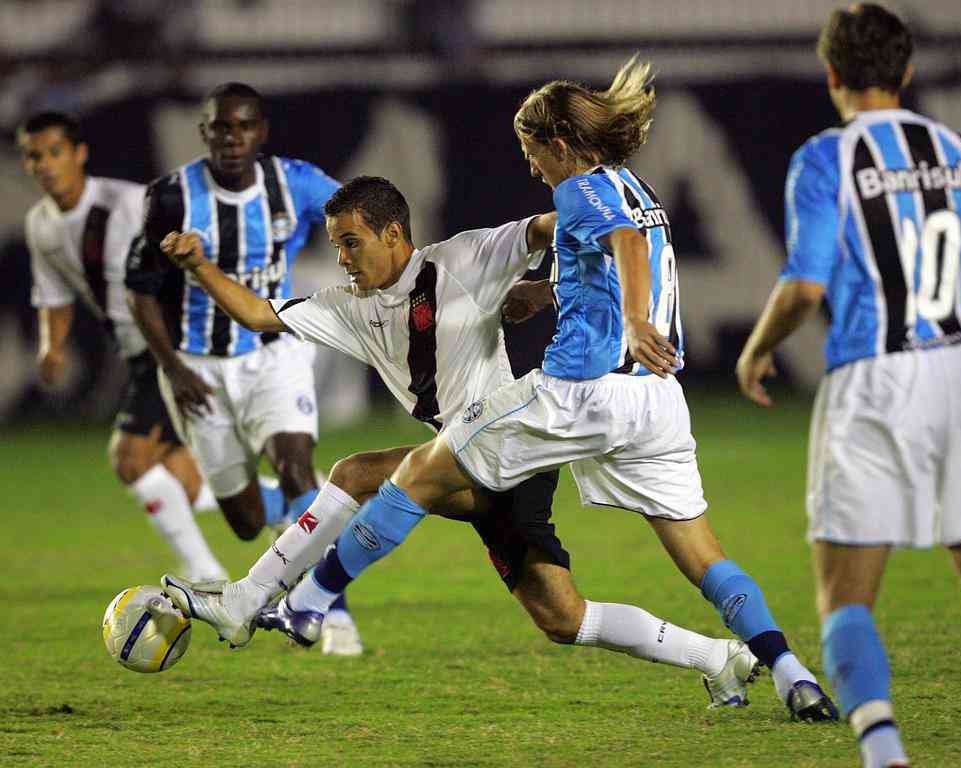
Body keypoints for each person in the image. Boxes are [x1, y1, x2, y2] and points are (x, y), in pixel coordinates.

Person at [263, 60, 837, 722]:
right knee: (703, 556)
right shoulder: (636, 186)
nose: (533, 170)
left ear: (559, 145)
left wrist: (635, 317)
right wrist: (546, 292)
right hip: (656, 401)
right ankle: (791, 672)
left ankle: (308, 605)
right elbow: (614, 240)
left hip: (580, 392)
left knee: (419, 470)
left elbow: (622, 243)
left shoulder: (579, 189)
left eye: (533, 155)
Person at [158, 175, 762, 706]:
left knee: (356, 473)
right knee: (563, 617)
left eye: (351, 242)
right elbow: (260, 314)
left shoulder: (466, 256)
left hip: (515, 448)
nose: (341, 258)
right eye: (336, 244)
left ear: (394, 234)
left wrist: (555, 286)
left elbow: (563, 225)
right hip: (464, 454)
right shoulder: (345, 306)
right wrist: (200, 268)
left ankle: (254, 601)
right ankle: (719, 657)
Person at [735, 5, 961, 768]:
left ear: (830, 75)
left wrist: (758, 350)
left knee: (845, 589)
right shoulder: (958, 150)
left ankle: (886, 762)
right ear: (907, 72)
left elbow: (806, 284)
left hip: (875, 376)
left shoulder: (825, 157)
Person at [124, 82, 360, 655]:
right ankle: (286, 511)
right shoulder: (172, 198)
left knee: (299, 464)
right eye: (221, 129)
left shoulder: (294, 183)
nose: (233, 139)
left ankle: (330, 614)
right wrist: (174, 370)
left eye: (244, 127)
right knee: (246, 522)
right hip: (199, 368)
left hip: (275, 352)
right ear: (204, 133)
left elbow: (358, 211)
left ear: (261, 132)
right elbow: (141, 291)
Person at [18, 110, 227, 583]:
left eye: (55, 152)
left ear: (79, 154)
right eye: (35, 156)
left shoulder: (128, 203)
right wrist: (53, 346)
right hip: (135, 353)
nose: (46, 164)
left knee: (129, 457)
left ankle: (204, 571)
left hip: (171, 345)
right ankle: (309, 501)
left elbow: (187, 255)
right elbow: (54, 292)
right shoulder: (41, 225)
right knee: (187, 482)